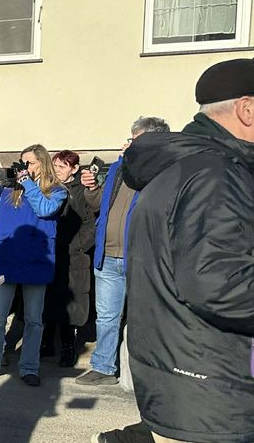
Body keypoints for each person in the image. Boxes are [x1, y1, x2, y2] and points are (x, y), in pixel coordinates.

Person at [117, 59, 254, 442]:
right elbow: (218, 285)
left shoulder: (187, 167)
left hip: (189, 378)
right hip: (212, 389)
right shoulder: (216, 175)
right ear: (247, 108)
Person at [75, 116, 171, 386]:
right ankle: (103, 368)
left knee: (145, 318)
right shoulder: (118, 169)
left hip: (141, 257)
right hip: (107, 256)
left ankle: (151, 374)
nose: (128, 143)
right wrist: (92, 187)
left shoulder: (163, 169)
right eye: (130, 139)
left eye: (134, 139)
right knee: (106, 317)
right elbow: (97, 204)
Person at [0, 144, 67, 387]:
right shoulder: (11, 191)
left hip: (37, 261)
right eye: (22, 163)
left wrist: (28, 183)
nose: (24, 168)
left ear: (42, 163)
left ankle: (29, 366)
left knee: (34, 319)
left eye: (30, 163)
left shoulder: (56, 191)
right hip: (8, 259)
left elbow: (45, 209)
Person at [44, 150, 95, 368]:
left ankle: (68, 347)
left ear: (74, 169)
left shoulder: (80, 191)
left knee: (72, 301)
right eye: (54, 166)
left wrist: (80, 246)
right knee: (51, 297)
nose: (57, 171)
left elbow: (90, 222)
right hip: (53, 252)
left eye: (62, 167)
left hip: (74, 255)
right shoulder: (50, 188)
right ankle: (47, 343)